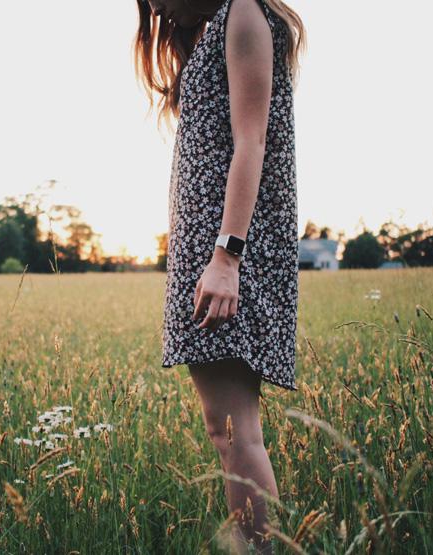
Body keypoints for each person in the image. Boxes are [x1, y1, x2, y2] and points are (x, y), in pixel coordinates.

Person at [133, 0, 306, 552]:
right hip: (211, 253)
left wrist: (227, 259)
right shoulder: (222, 24)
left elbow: (251, 143)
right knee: (228, 428)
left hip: (227, 254)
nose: (155, 5)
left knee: (232, 431)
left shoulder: (245, 14)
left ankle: (261, 552)